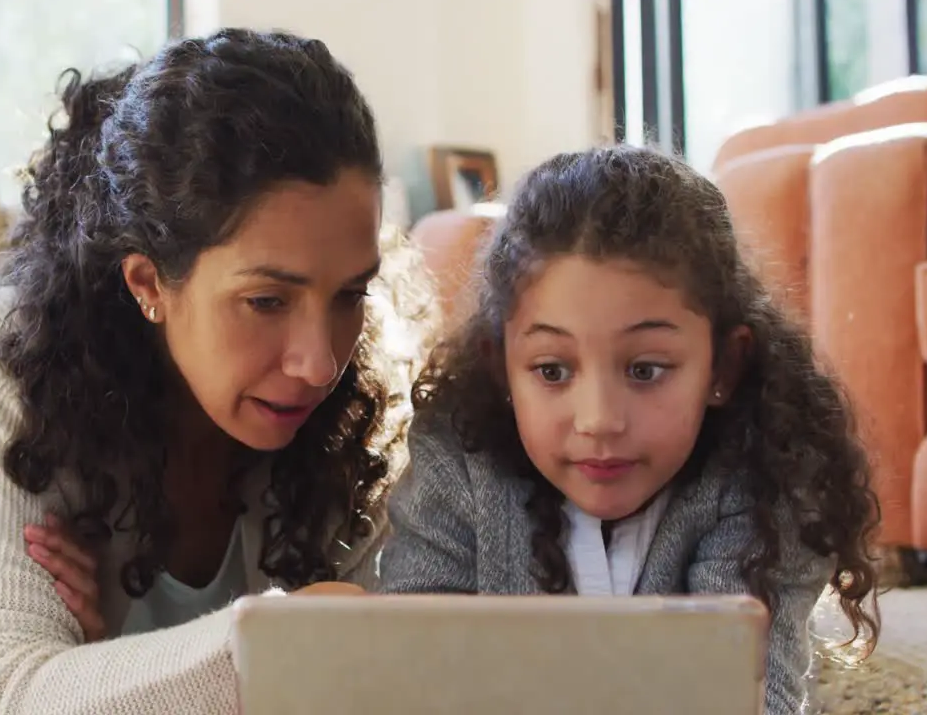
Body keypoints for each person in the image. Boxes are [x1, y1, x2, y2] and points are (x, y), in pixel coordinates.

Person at [0, 28, 434, 715]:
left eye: (349, 293)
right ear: (149, 281)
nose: (320, 360)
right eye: (266, 301)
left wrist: (94, 676)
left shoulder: (365, 391)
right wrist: (282, 638)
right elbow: (0, 690)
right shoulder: (9, 358)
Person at [377, 146, 883, 715]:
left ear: (722, 367)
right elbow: (410, 661)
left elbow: (746, 693)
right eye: (552, 371)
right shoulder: (456, 455)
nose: (599, 420)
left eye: (645, 370)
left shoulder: (772, 472)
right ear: (502, 371)